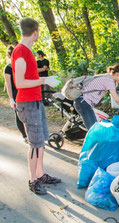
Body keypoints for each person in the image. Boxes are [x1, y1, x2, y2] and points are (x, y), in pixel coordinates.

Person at [12, 18, 62, 195]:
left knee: (40, 141)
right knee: (34, 144)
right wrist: (44, 80)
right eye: (39, 32)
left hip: (36, 101)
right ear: (35, 32)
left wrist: (43, 82)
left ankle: (40, 174)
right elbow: (19, 82)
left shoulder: (28, 51)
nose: (38, 35)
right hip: (27, 103)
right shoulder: (20, 52)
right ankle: (32, 180)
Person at [74, 64, 119, 130]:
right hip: (83, 103)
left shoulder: (106, 76)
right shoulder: (109, 81)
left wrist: (117, 81)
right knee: (93, 130)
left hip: (82, 101)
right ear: (117, 74)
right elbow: (117, 99)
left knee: (94, 128)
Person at [3, 45, 27, 142]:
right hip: (16, 94)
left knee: (28, 115)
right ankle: (25, 135)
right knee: (19, 116)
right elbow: (8, 85)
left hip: (25, 92)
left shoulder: (21, 65)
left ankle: (31, 135)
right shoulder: (8, 68)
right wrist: (11, 99)